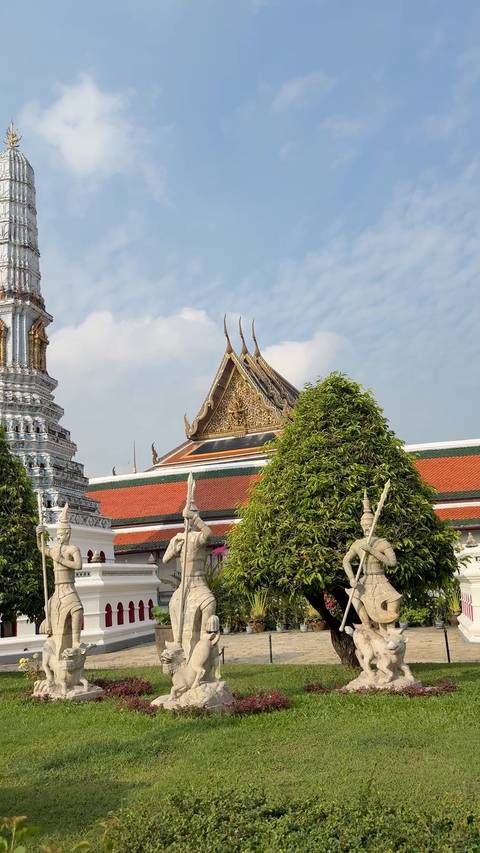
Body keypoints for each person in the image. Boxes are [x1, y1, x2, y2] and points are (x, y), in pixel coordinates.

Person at [163, 503, 216, 660]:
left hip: (199, 583)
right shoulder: (178, 538)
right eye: (186, 517)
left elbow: (208, 534)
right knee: (174, 604)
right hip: (184, 585)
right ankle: (178, 644)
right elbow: (165, 559)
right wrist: (174, 549)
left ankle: (204, 647)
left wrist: (196, 518)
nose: (188, 521)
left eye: (191, 517)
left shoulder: (197, 537)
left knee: (209, 602)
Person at [342, 491, 401, 629]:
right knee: (354, 596)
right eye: (364, 526)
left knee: (393, 601)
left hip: (380, 579)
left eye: (369, 526)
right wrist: (351, 578)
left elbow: (392, 563)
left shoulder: (382, 543)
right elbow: (346, 561)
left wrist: (372, 551)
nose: (367, 529)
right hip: (365, 579)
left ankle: (388, 634)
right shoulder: (357, 544)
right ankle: (366, 624)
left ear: (375, 526)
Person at [36, 502, 83, 655]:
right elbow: (42, 548)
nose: (59, 537)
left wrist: (61, 560)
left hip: (69, 587)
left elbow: (78, 565)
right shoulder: (55, 549)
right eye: (57, 534)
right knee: (48, 607)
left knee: (77, 610)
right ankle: (51, 631)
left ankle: (76, 640)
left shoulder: (72, 549)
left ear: (68, 534)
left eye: (61, 534)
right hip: (58, 588)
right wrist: (38, 535)